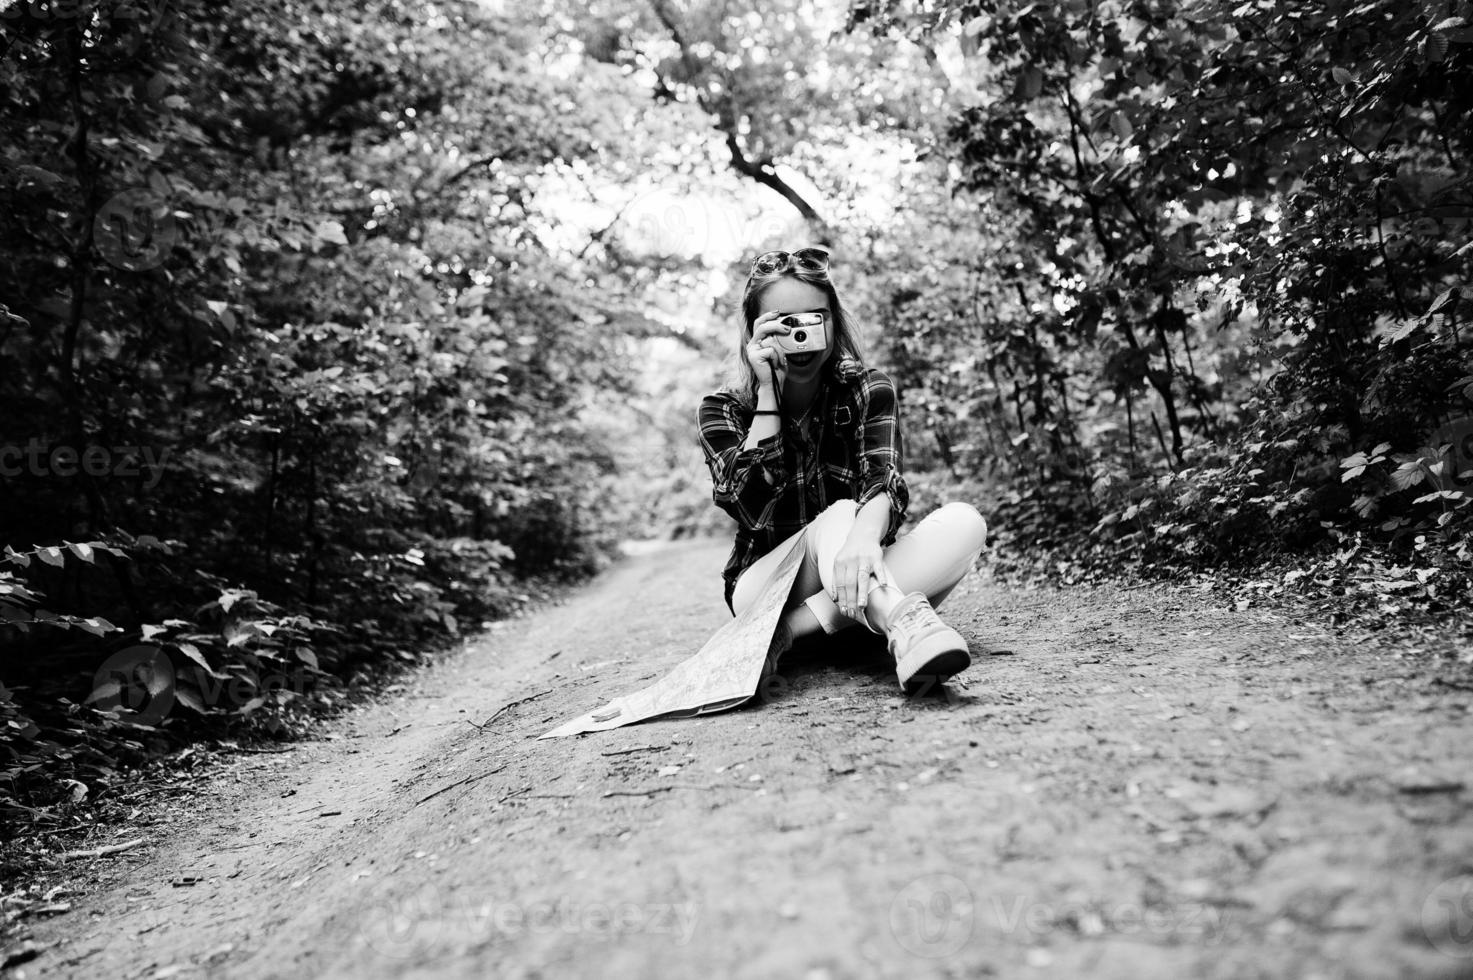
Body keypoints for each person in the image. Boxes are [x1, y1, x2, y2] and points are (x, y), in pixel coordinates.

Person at [696, 246, 990, 694]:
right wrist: (768, 394)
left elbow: (883, 483)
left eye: (815, 319)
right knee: (840, 513)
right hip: (765, 593)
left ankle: (791, 635)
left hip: (854, 568)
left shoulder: (868, 390)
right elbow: (746, 504)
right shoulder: (722, 410)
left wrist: (861, 537)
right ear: (755, 333)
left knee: (965, 523)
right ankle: (897, 619)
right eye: (785, 324)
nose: (801, 337)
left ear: (834, 322)